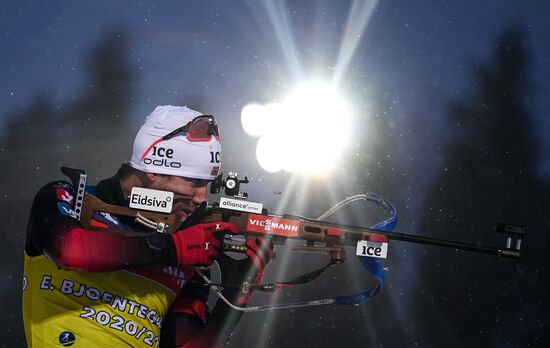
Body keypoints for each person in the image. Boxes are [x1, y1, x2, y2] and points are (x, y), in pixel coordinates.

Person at [22, 105, 273, 347]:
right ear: (154, 170)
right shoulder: (67, 197)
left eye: (207, 184)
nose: (202, 198)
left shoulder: (188, 243)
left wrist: (235, 295)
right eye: (194, 181)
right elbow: (70, 250)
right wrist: (176, 248)